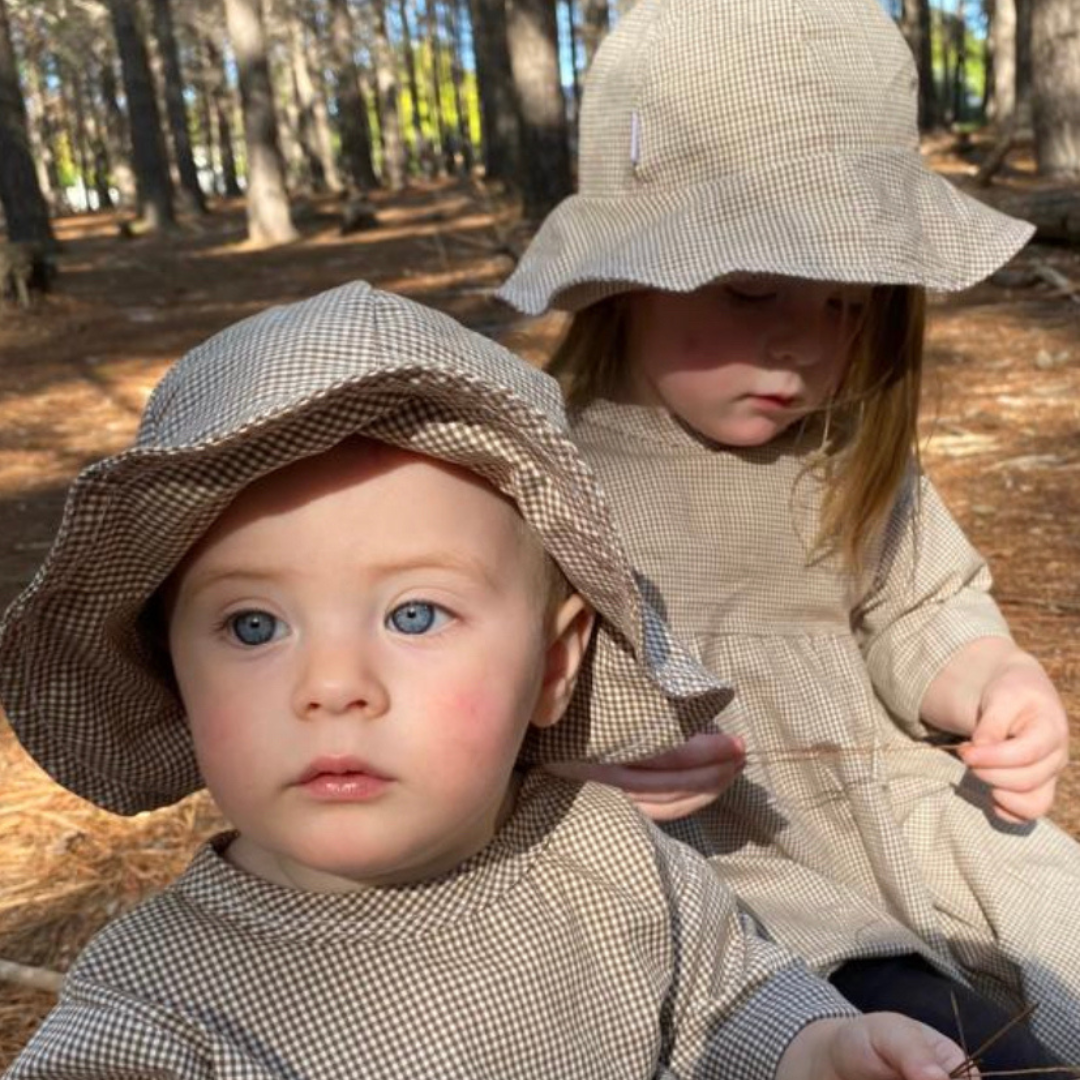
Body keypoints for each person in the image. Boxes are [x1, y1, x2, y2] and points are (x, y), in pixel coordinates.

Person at [0, 282, 975, 1080]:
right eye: (253, 625)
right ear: (174, 669)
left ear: (554, 665)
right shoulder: (158, 1010)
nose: (331, 686)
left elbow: (724, 995)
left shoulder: (604, 853)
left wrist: (814, 1048)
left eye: (414, 615)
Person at [496, 0, 1080, 1069]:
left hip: (907, 823)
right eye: (755, 289)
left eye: (848, 306)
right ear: (630, 275)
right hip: (722, 871)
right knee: (926, 1040)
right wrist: (588, 761)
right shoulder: (543, 472)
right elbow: (480, 697)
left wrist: (994, 682)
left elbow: (918, 603)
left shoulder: (845, 452)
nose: (805, 347)